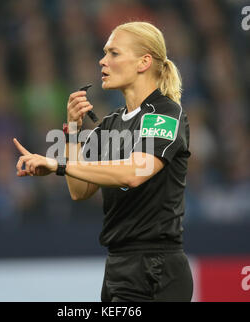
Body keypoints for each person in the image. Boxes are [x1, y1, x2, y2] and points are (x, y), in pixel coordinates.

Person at [14, 21, 193, 302]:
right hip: (117, 267)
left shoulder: (165, 112)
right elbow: (79, 191)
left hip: (156, 269)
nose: (103, 60)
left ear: (144, 62)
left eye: (114, 53)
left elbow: (136, 171)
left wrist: (58, 165)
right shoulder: (109, 125)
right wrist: (73, 132)